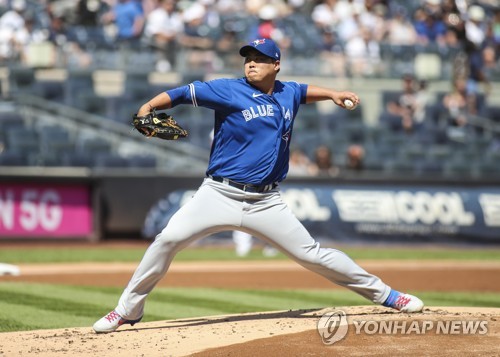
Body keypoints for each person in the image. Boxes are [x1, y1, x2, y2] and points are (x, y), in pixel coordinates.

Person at [93, 38, 424, 333]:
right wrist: (148, 108)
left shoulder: (288, 91)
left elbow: (304, 91)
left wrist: (334, 94)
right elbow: (181, 93)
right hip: (218, 193)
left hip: (266, 202)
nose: (251, 62)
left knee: (313, 255)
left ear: (275, 64)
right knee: (167, 240)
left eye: (260, 58)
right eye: (248, 57)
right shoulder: (227, 89)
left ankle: (389, 296)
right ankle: (127, 311)